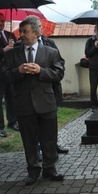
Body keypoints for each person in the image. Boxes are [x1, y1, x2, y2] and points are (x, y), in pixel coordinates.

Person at [1, 18, 65, 185]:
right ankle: (33, 170)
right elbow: (4, 77)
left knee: (49, 138)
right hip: (23, 103)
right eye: (20, 31)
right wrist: (18, 71)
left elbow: (59, 74)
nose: (21, 35)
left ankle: (50, 169)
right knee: (28, 139)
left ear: (36, 33)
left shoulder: (51, 52)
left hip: (46, 102)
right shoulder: (11, 54)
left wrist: (41, 71)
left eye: (25, 31)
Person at [23, 15, 69, 155]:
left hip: (50, 89)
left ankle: (52, 146)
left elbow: (59, 65)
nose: (40, 28)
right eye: (38, 26)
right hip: (31, 93)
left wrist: (42, 71)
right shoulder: (21, 46)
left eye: (41, 26)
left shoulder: (50, 43)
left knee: (50, 123)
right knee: (34, 125)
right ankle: (37, 148)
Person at [0, 12, 19, 138]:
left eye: (2, 21)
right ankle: (0, 127)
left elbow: (17, 50)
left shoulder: (10, 34)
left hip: (9, 71)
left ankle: (12, 121)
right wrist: (4, 50)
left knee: (11, 97)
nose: (1, 23)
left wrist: (14, 44)